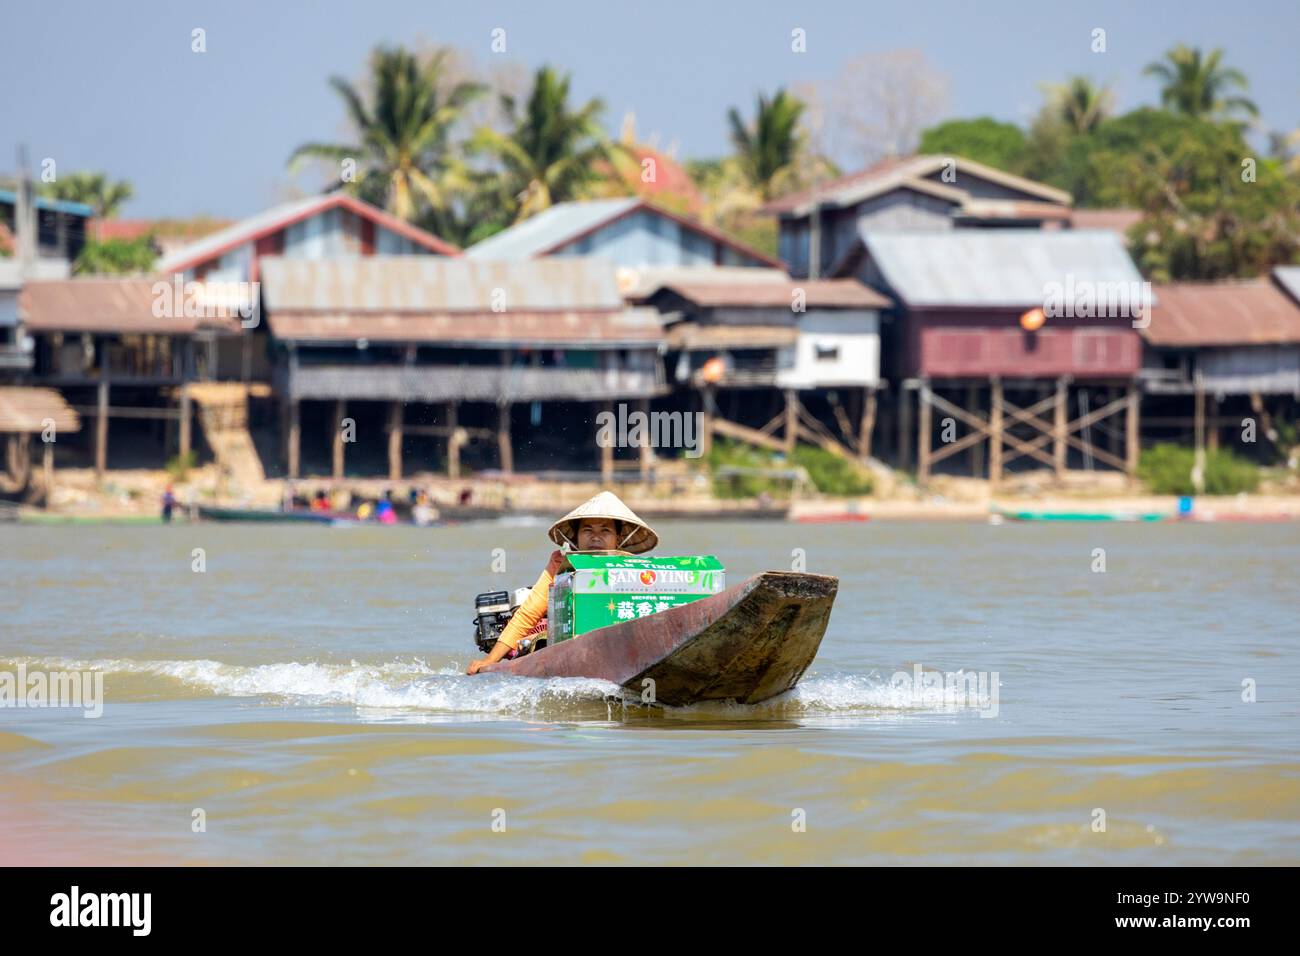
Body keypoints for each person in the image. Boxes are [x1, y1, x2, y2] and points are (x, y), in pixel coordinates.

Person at [466, 490, 658, 675]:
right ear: (576, 537)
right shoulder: (560, 563)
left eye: (605, 530)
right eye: (587, 530)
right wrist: (490, 661)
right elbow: (529, 612)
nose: (596, 537)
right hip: (570, 644)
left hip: (617, 644)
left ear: (618, 539)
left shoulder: (634, 568)